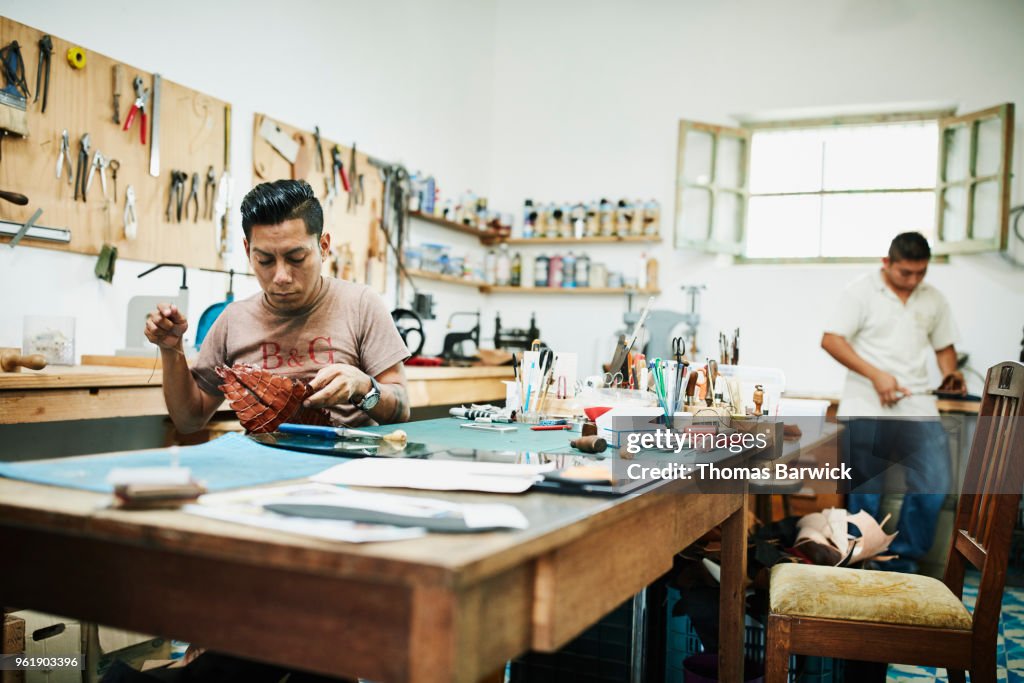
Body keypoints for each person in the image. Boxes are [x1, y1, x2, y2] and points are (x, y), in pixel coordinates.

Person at [144, 179, 411, 433]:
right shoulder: (233, 320)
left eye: (296, 258)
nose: (281, 276)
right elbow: (189, 421)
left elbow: (401, 410)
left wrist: (363, 387)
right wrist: (171, 350)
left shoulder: (361, 305)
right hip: (263, 466)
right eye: (265, 260)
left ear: (324, 246)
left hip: (343, 464)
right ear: (248, 251)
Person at [821, 231, 966, 573]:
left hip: (918, 408)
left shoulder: (933, 299)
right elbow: (831, 340)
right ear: (886, 263)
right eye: (905, 273)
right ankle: (862, 558)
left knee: (935, 484)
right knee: (866, 492)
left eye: (921, 273)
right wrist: (877, 375)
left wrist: (951, 373)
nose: (913, 280)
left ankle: (902, 560)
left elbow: (944, 347)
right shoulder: (860, 292)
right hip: (866, 407)